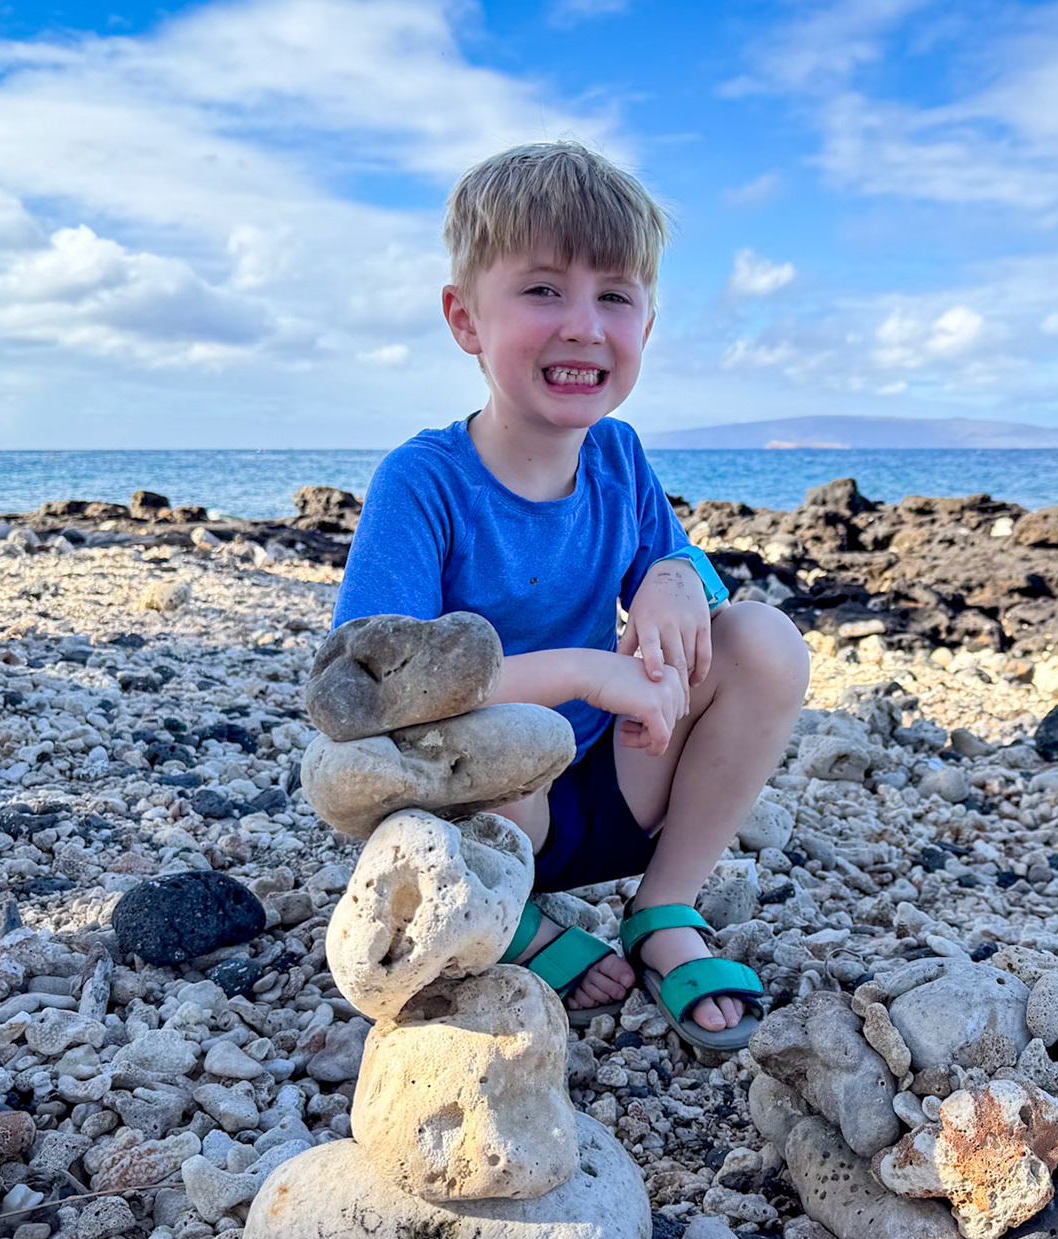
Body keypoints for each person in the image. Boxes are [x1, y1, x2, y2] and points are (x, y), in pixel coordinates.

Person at [330, 141, 810, 1049]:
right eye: (544, 290)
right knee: (501, 726)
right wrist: (586, 671)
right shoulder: (424, 482)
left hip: (622, 783)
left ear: (647, 327)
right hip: (491, 815)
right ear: (465, 318)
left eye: (615, 297)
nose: (584, 325)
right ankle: (501, 917)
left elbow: (683, 573)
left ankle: (663, 905)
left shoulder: (618, 457)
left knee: (763, 639)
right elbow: (367, 687)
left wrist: (674, 576)